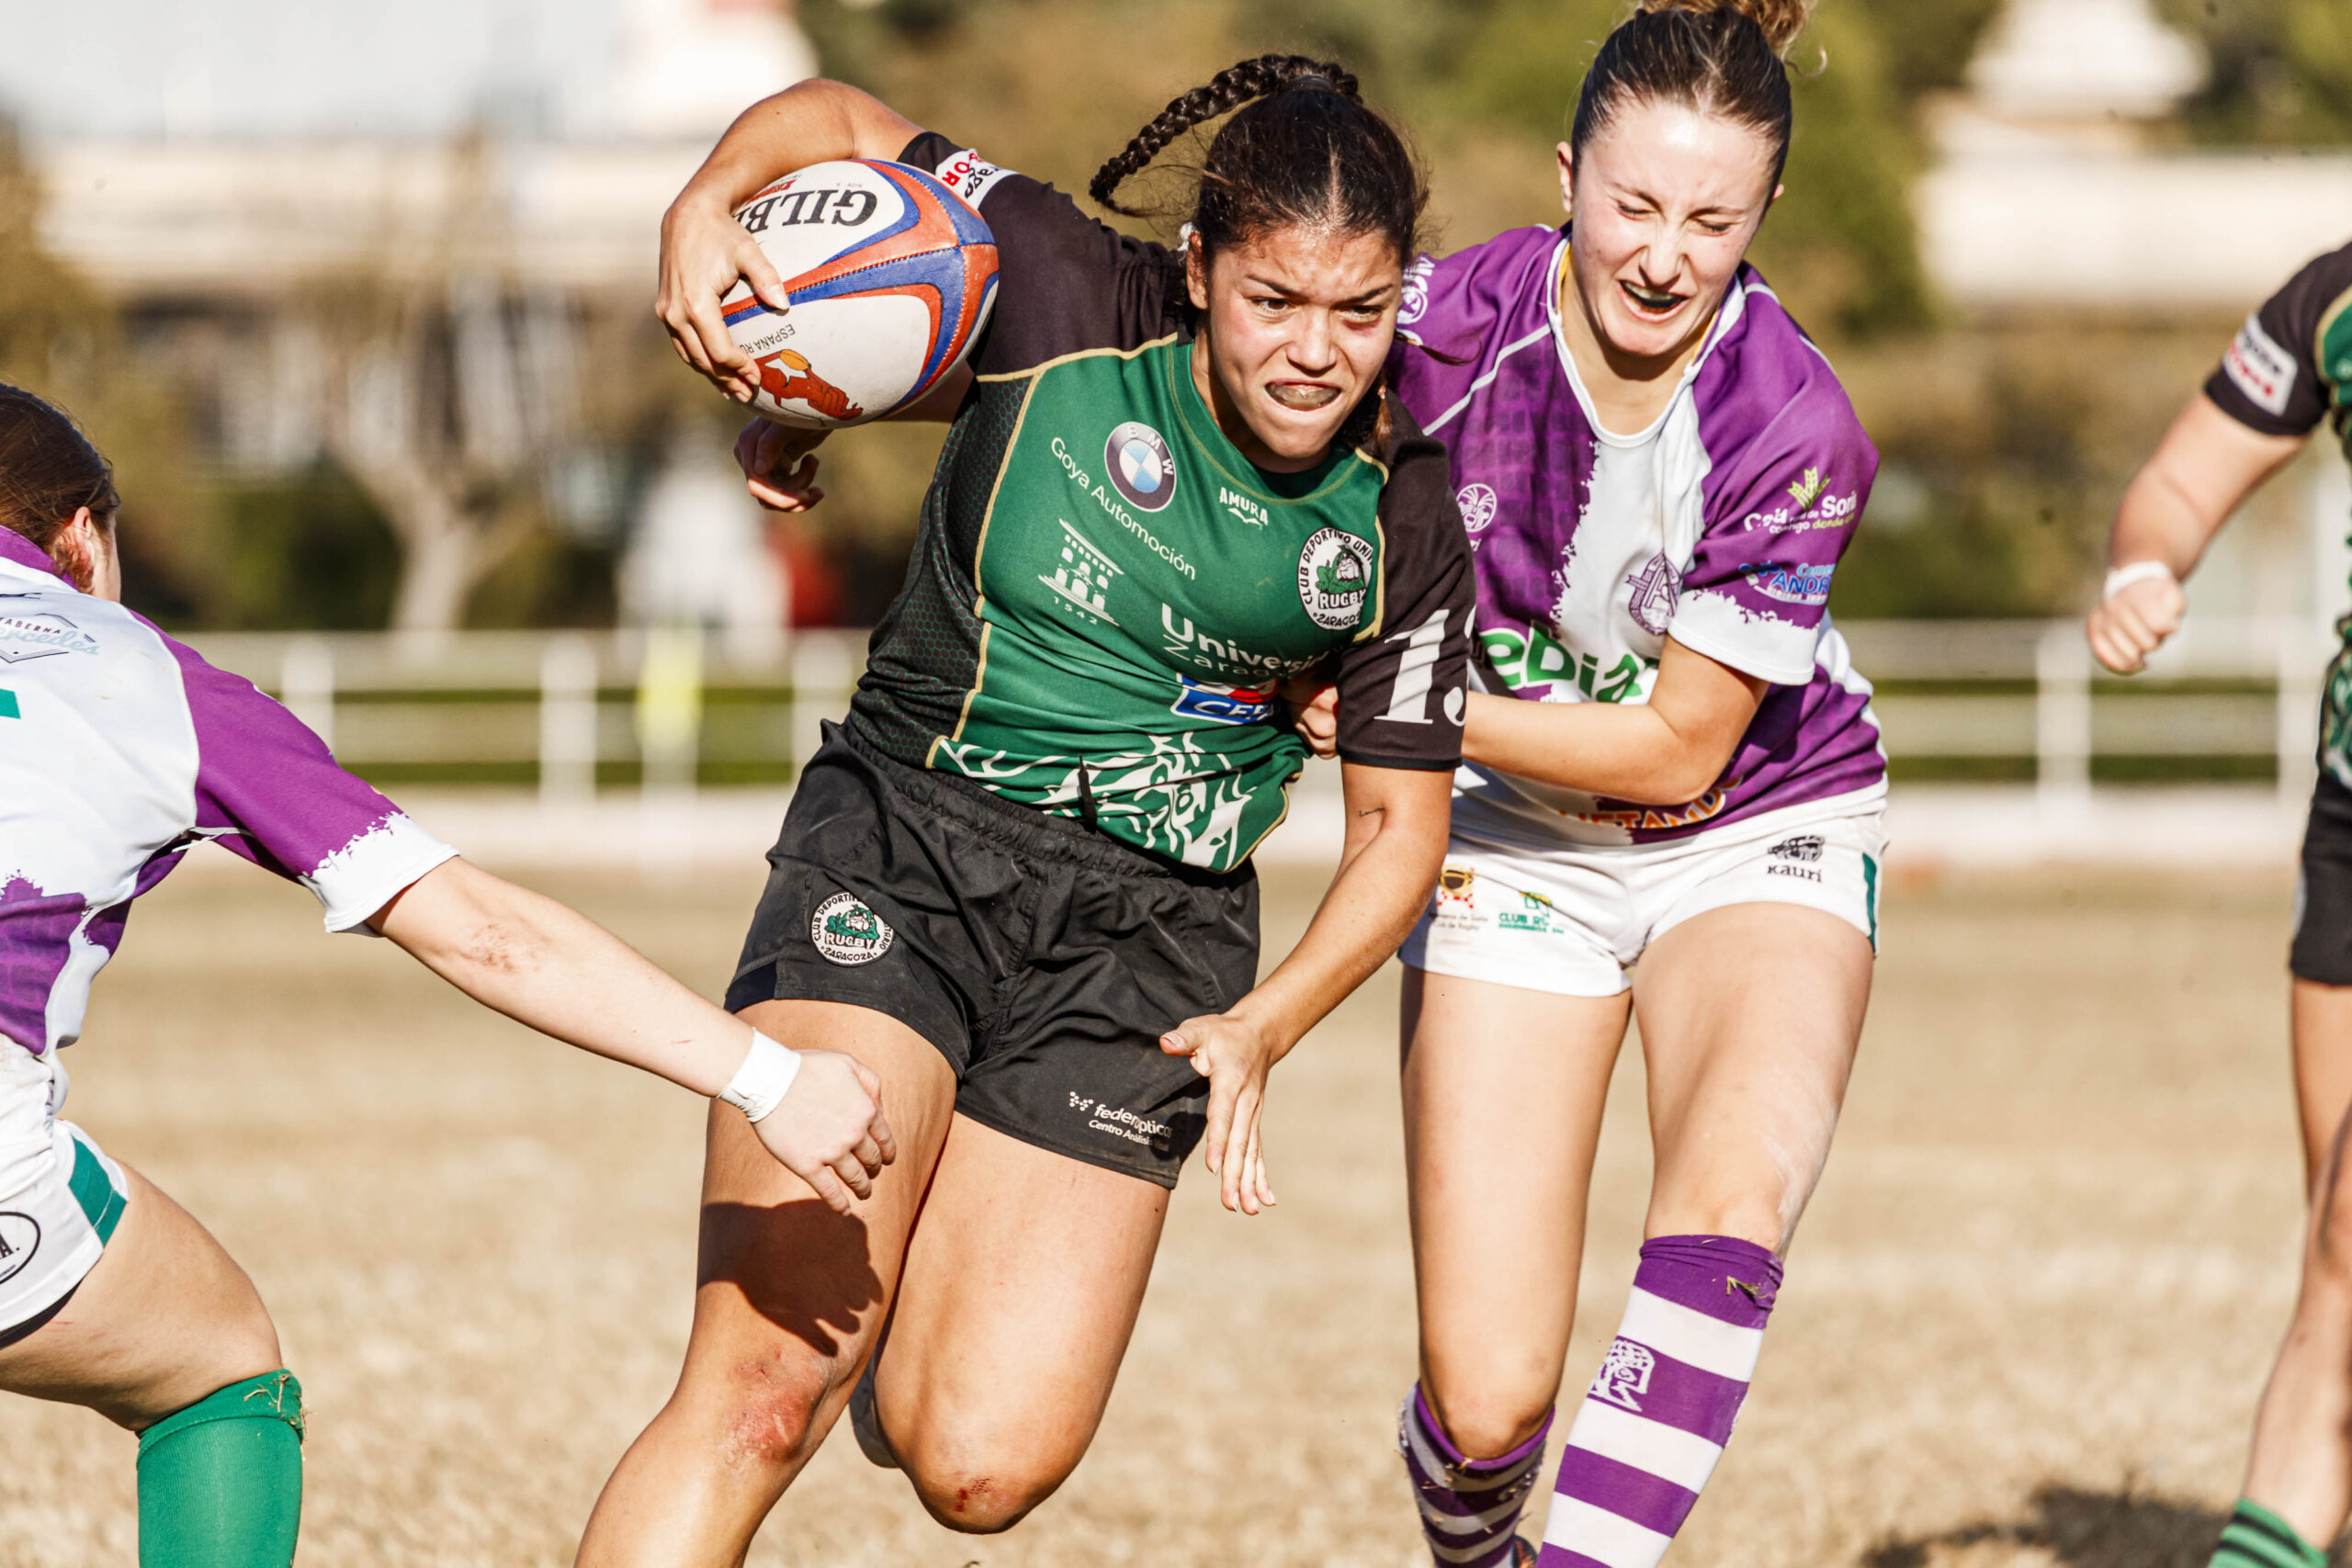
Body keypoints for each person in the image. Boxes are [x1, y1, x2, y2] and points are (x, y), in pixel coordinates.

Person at [572, 57, 1474, 1562]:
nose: (1317, 353)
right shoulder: (1057, 287)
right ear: (1197, 269)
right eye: (1273, 302)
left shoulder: (1403, 507)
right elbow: (849, 121)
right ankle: (838, 1326)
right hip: (907, 846)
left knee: (979, 1465)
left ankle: (918, 1283)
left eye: (1360, 313)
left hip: (1153, 942)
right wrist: (705, 202)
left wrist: (1267, 1028)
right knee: (762, 1392)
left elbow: (1401, 834)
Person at [0, 383, 896, 1568]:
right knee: (218, 1370)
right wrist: (770, 1078)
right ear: (82, 538)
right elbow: (483, 932)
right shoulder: (143, 672)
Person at [1295, 3, 1883, 1563]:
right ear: (1566, 176)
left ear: (1764, 218)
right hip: (1511, 840)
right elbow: (1215, 342)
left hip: (1756, 825)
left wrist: (1392, 706)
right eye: (1632, 204)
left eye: (1713, 218)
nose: (1664, 254)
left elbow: (1681, 745)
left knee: (1727, 1200)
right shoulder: (1437, 322)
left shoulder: (1795, 422)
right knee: (1487, 1409)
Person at [2086, 238, 2352, 1568]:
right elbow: (2180, 487)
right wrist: (2147, 566)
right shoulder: (2334, 302)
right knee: (2337, 1249)